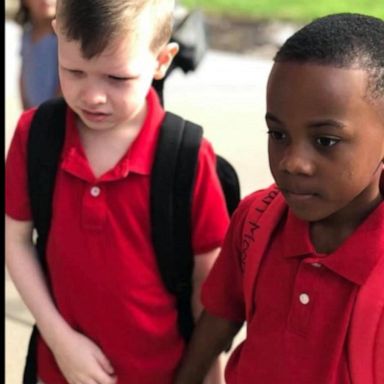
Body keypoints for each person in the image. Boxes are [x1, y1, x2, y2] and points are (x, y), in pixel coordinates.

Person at [5, 0, 229, 383]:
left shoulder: (186, 158)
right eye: (74, 71)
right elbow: (16, 240)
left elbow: (207, 291)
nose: (92, 96)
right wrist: (60, 340)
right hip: (58, 370)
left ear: (162, 60)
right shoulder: (36, 136)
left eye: (117, 78)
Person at [175, 13, 384, 384]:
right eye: (278, 134)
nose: (292, 163)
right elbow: (220, 319)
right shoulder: (257, 219)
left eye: (325, 141)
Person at [15, 0, 61, 110]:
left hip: (55, 112)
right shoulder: (26, 34)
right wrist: (26, 109)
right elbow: (24, 73)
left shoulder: (63, 38)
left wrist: (48, 112)